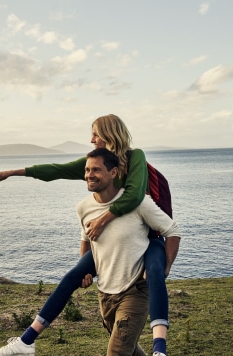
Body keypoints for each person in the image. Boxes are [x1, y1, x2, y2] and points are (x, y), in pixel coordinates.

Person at [0, 114, 178, 356]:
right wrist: (12, 172)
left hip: (149, 237)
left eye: (96, 134)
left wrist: (103, 219)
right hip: (115, 241)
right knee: (74, 275)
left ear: (110, 134)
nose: (91, 139)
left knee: (156, 274)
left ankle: (160, 349)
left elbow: (135, 195)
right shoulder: (94, 165)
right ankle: (26, 341)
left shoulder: (134, 156)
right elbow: (55, 170)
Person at [78, 148, 181, 355]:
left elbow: (173, 231)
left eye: (96, 170)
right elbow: (86, 238)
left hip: (135, 291)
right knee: (130, 350)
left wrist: (165, 267)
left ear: (114, 172)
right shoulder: (84, 206)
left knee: (117, 352)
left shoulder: (138, 202)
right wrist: (84, 269)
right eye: (87, 169)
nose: (89, 175)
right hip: (105, 292)